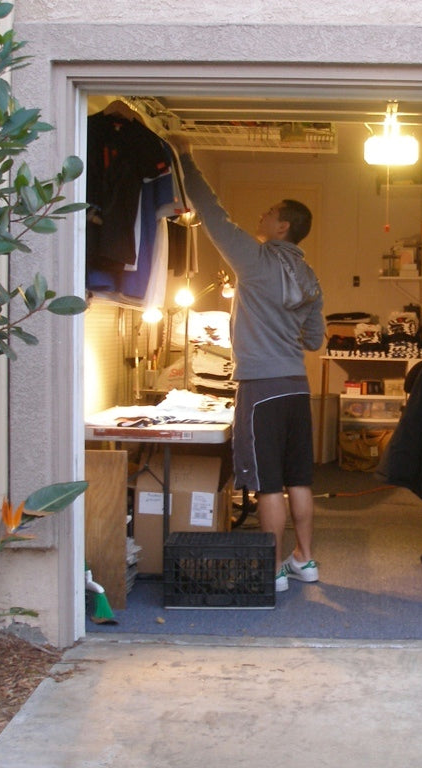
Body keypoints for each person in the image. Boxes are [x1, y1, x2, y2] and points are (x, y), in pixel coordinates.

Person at [171, 135, 325, 594]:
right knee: (299, 477)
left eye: (269, 212)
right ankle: (305, 559)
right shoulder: (309, 276)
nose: (261, 216)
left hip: (261, 388)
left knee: (268, 486)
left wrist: (184, 157)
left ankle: (273, 568)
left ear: (283, 227)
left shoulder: (256, 261)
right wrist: (285, 326)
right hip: (297, 386)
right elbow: (314, 339)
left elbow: (212, 214)